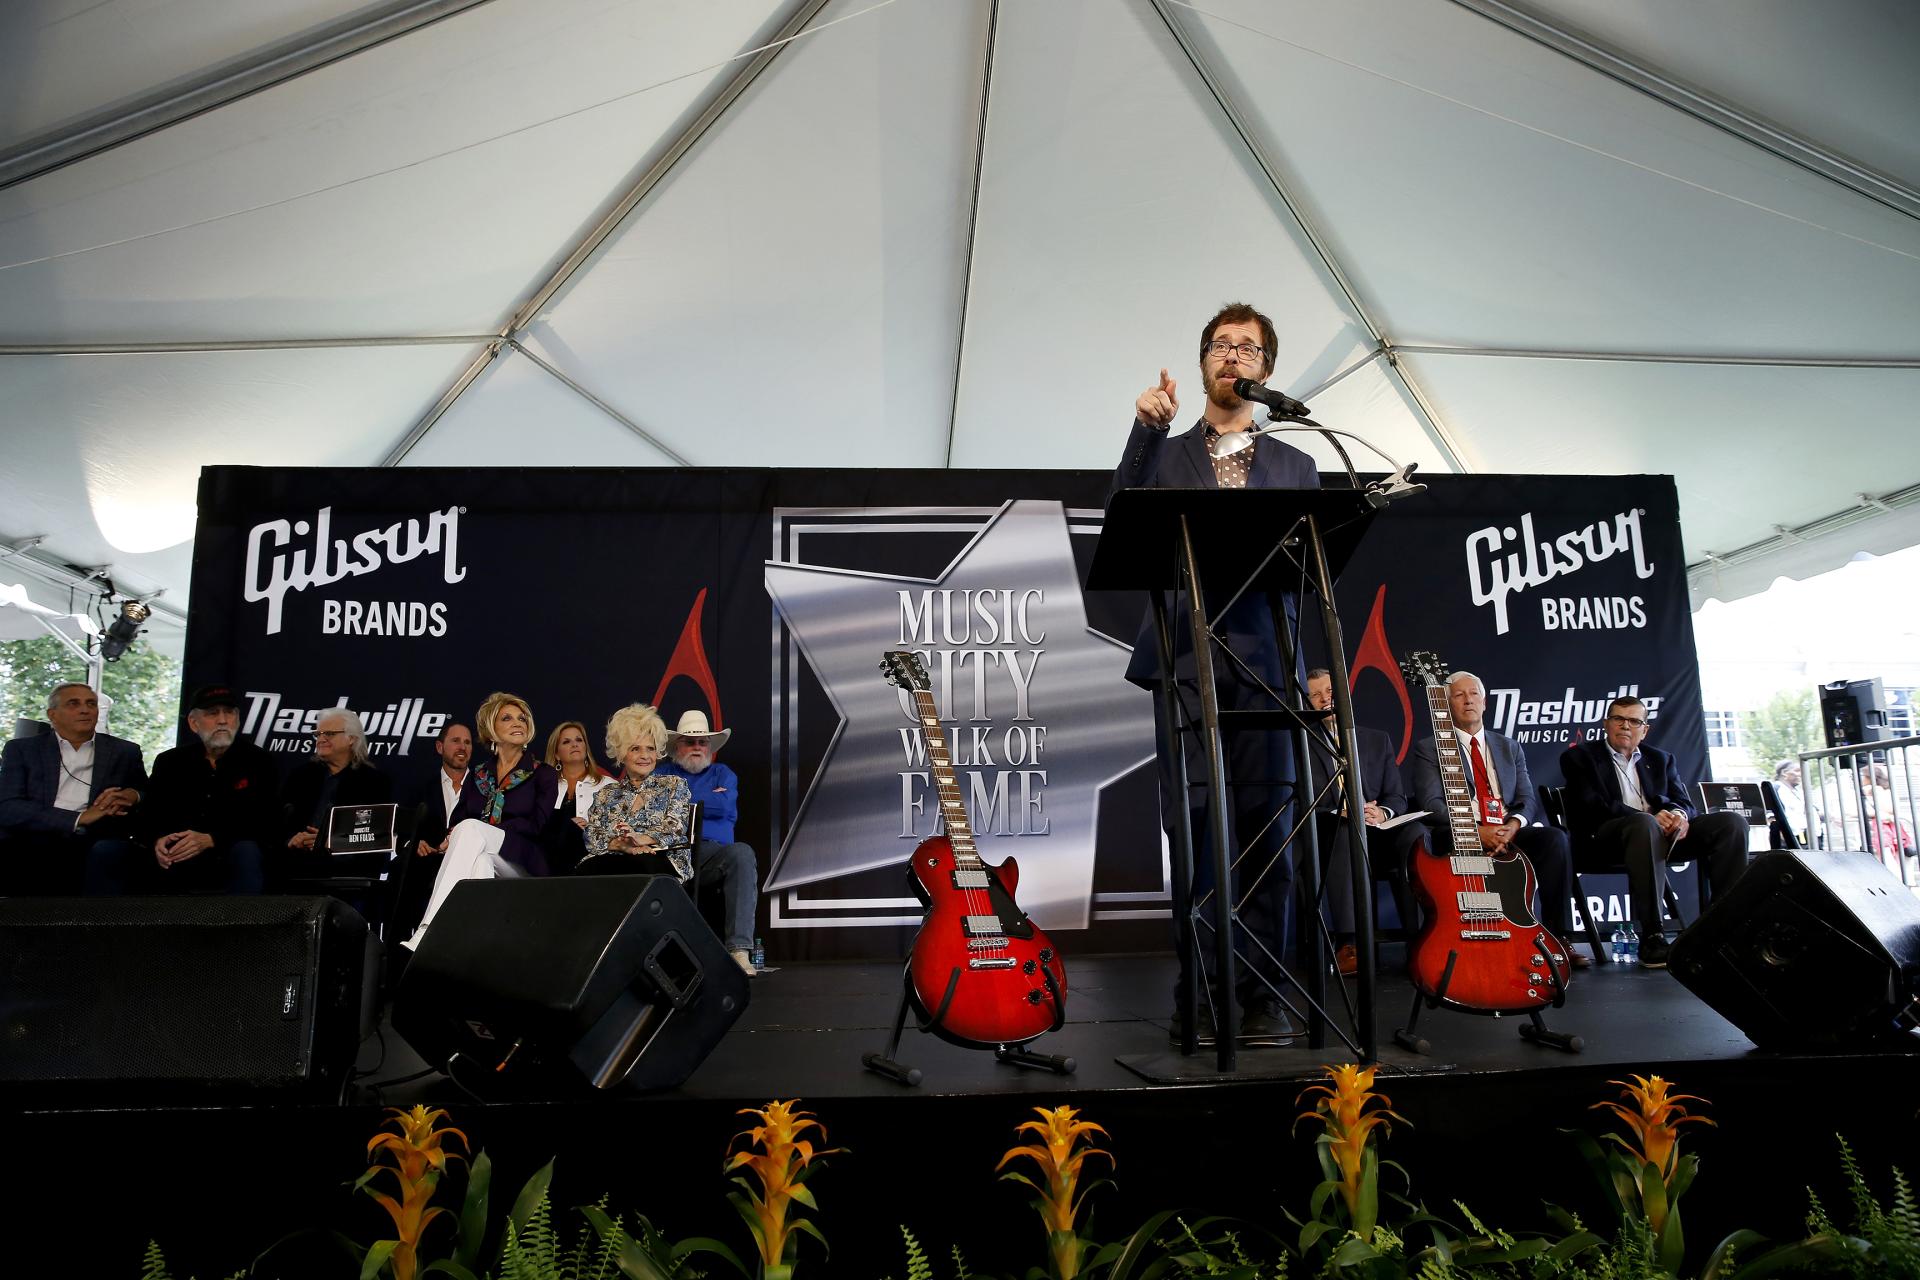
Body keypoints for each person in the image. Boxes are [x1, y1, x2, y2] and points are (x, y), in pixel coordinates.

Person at [1109, 301, 1319, 1047]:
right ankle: (1200, 993)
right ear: (1203, 362)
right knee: (1196, 832)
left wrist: (1314, 667)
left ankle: (1261, 996)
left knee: (1268, 836)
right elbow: (1122, 518)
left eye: (1249, 349)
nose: (1234, 357)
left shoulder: (1298, 465)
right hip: (1186, 667)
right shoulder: (1165, 455)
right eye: (1222, 346)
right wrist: (1144, 430)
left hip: (1268, 665)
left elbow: (1311, 575)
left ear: (1266, 370)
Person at [1408, 671, 1585, 968]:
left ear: (1484, 702)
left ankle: (1559, 937)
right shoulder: (1429, 748)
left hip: (1506, 828)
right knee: (1439, 835)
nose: (1468, 701)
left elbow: (1527, 799)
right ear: (1447, 703)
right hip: (1459, 829)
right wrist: (1477, 831)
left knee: (1554, 840)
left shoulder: (1509, 746)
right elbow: (1431, 804)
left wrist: (1512, 826)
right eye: (1459, 695)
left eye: (1473, 694)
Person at [1560, 695, 1750, 969]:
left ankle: (1724, 929)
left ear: (1644, 729)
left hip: (1661, 836)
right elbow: (1592, 806)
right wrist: (1648, 817)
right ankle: (1652, 936)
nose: (1626, 726)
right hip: (1605, 840)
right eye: (1619, 719)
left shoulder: (1660, 759)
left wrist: (1680, 817)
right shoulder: (1579, 758)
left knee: (1731, 824)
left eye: (1634, 721)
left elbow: (1683, 801)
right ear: (1606, 724)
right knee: (1644, 824)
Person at [406, 692, 560, 947]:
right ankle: (469, 946)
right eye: (507, 718)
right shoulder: (478, 774)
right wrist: (452, 837)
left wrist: (483, 829)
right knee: (480, 863)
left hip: (523, 859)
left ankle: (429, 928)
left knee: (471, 830)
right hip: (488, 853)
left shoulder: (542, 773)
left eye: (522, 718)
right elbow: (458, 820)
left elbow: (536, 825)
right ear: (491, 730)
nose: (517, 723)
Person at [101, 683, 278, 894]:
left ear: (238, 720)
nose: (223, 720)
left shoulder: (260, 761)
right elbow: (148, 815)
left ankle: (243, 926)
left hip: (226, 851)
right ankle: (94, 925)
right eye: (213, 713)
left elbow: (267, 821)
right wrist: (158, 839)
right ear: (194, 723)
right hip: (173, 852)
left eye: (229, 713)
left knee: (246, 851)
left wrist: (211, 839)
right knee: (108, 851)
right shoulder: (170, 761)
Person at [1301, 669, 1420, 976]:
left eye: (1330, 690)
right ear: (1308, 702)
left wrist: (1382, 813)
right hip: (1331, 832)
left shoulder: (1377, 740)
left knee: (1417, 835)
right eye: (1316, 694)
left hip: (1378, 831)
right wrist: (1340, 809)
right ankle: (1350, 943)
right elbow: (1301, 798)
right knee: (1345, 829)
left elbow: (1396, 796)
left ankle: (1419, 939)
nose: (1325, 698)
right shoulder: (1301, 743)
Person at [0, 681, 146, 895]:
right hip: (38, 832)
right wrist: (78, 818)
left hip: (98, 835)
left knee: (110, 853)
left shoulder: (125, 751)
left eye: (91, 704)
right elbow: (8, 806)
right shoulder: (22, 749)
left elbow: (148, 792)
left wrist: (133, 795)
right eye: (73, 704)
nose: (85, 709)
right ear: (53, 714)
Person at [656, 710, 759, 976]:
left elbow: (724, 806)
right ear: (677, 745)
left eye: (702, 742)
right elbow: (658, 810)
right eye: (690, 742)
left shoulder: (724, 774)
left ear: (710, 747)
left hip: (712, 855)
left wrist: (678, 800)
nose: (697, 747)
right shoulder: (661, 772)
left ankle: (739, 951)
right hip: (669, 851)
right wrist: (704, 799)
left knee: (742, 854)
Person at [280, 707, 393, 882]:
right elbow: (278, 822)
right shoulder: (300, 777)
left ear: (352, 739)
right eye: (318, 734)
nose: (321, 739)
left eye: (330, 734)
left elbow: (376, 837)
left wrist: (330, 842)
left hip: (347, 870)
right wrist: (293, 838)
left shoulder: (374, 782)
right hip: (296, 864)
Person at [583, 703, 693, 879]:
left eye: (650, 748)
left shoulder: (674, 785)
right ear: (621, 753)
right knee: (586, 868)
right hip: (615, 858)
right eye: (635, 748)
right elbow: (592, 834)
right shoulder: (606, 793)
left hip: (660, 858)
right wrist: (622, 845)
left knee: (640, 864)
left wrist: (640, 838)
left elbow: (676, 828)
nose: (645, 756)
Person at [544, 720, 616, 875]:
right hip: (549, 857)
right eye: (566, 742)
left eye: (579, 740)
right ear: (556, 753)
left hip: (590, 859)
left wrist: (589, 827)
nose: (574, 744)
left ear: (585, 747)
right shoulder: (545, 786)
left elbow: (618, 829)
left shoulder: (608, 785)